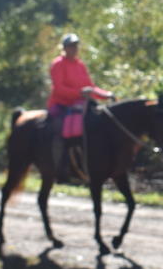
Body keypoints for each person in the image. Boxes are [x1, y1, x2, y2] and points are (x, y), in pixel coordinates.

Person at [46, 33, 115, 172]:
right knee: (59, 128)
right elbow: (59, 89)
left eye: (75, 46)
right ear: (64, 48)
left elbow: (91, 87)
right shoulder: (58, 64)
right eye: (71, 46)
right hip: (61, 105)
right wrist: (79, 93)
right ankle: (59, 166)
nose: (74, 49)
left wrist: (106, 95)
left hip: (80, 105)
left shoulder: (80, 65)